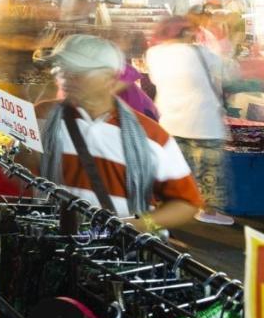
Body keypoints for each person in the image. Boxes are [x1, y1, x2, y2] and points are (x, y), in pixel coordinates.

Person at [20, 34, 200, 231]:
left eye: (78, 71)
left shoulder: (151, 135)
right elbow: (23, 176)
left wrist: (139, 225)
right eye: (61, 69)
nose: (64, 78)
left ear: (109, 77)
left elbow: (186, 203)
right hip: (53, 242)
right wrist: (24, 156)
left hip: (119, 252)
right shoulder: (41, 116)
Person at [145, 16, 234, 225]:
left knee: (176, 168)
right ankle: (208, 212)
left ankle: (171, 206)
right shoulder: (200, 52)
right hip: (204, 122)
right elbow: (226, 70)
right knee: (209, 169)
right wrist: (218, 42)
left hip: (171, 120)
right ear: (185, 33)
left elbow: (154, 80)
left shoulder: (153, 54)